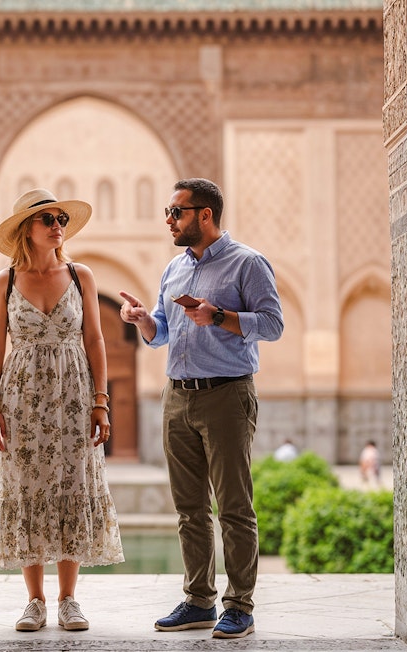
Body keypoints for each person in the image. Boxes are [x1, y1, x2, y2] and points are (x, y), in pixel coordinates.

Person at [119, 178, 283, 639]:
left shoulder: (246, 263)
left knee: (233, 506)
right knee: (189, 507)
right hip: (177, 396)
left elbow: (273, 324)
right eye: (168, 213)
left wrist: (219, 317)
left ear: (204, 215)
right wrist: (142, 322)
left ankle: (240, 606)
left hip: (226, 395)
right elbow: (164, 333)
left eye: (176, 212)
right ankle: (198, 601)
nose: (168, 220)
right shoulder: (174, 269)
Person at [0, 188, 124, 633]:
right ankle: (35, 601)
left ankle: (68, 599)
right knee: (26, 487)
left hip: (74, 396)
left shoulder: (81, 275)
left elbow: (96, 341)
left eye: (60, 217)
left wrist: (101, 402)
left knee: (72, 484)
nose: (57, 224)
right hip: (22, 399)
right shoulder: (3, 281)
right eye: (47, 218)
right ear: (27, 228)